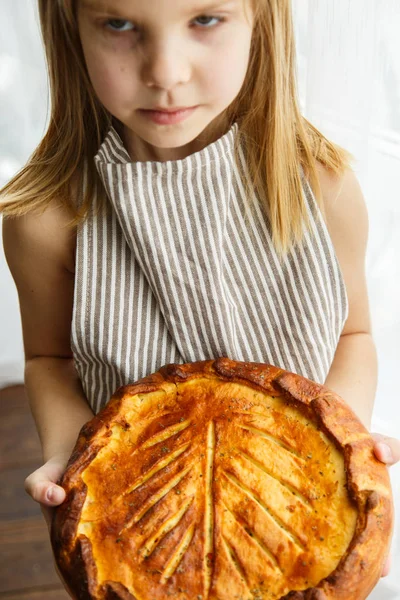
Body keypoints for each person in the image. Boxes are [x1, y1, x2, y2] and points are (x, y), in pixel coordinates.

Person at [1, 0, 398, 589]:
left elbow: (353, 334)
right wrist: (68, 450)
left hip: (292, 527)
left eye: (204, 20)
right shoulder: (45, 220)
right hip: (136, 540)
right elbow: (50, 359)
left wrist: (340, 444)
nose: (166, 71)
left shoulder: (320, 185)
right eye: (119, 24)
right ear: (70, 29)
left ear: (261, 20)